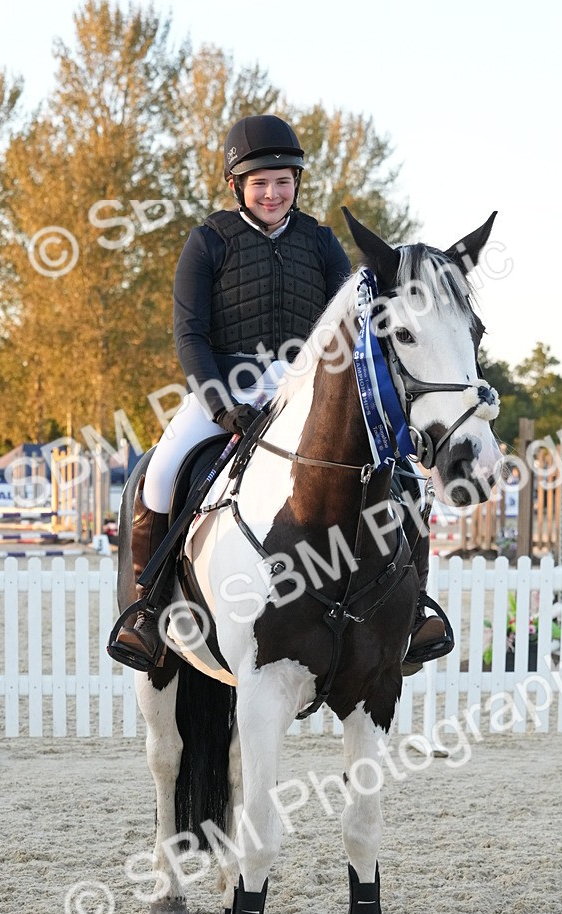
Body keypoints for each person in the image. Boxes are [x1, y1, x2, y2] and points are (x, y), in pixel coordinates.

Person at [111, 114, 449, 673]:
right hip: (225, 387)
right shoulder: (207, 242)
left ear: (296, 182)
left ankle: (415, 610)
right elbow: (189, 334)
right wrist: (221, 406)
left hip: (304, 388)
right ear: (236, 185)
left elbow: (355, 317)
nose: (272, 192)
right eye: (260, 182)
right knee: (162, 472)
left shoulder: (319, 242)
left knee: (405, 475)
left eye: (283, 180)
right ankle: (146, 611)